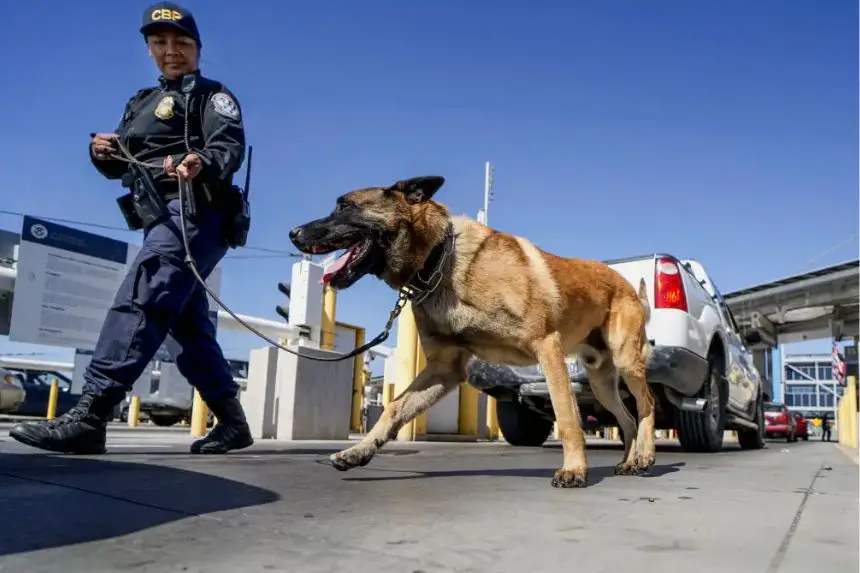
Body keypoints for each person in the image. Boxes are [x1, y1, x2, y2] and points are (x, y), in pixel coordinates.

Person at [9, 2, 253, 455]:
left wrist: (202, 161)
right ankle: (233, 423)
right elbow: (124, 163)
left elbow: (228, 146)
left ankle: (92, 414)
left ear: (198, 48)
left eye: (181, 42)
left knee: (142, 297)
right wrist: (104, 152)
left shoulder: (212, 95)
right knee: (187, 327)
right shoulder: (140, 102)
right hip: (158, 216)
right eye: (160, 42)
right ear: (148, 49)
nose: (171, 50)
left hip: (194, 212)